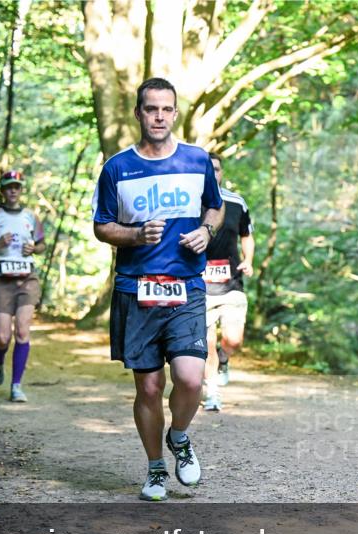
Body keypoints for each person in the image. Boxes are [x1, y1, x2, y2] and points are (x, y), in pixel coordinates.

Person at [92, 77, 224, 502]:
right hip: (136, 290)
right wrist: (133, 236)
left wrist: (206, 230)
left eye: (167, 109)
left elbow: (216, 206)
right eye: (152, 109)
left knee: (190, 380)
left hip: (186, 287)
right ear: (138, 113)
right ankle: (154, 470)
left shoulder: (196, 159)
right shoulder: (117, 167)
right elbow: (101, 225)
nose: (160, 117)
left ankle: (180, 437)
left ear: (175, 113)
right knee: (148, 388)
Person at [0, 170, 46, 402]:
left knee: (23, 331)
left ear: (21, 190)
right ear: (2, 191)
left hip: (27, 278)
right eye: (9, 187)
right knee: (3, 336)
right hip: (0, 279)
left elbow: (42, 244)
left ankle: (16, 386)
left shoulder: (31, 216)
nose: (13, 190)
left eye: (17, 186)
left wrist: (34, 249)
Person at [202, 153, 254, 411]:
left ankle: (224, 359)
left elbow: (247, 234)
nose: (213, 174)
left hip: (232, 283)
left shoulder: (236, 202)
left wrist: (249, 260)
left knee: (233, 340)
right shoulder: (188, 203)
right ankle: (212, 393)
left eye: (217, 169)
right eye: (207, 169)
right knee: (207, 342)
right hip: (200, 287)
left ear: (222, 173)